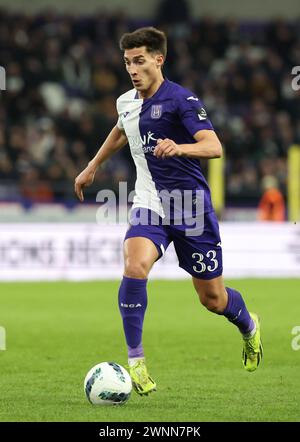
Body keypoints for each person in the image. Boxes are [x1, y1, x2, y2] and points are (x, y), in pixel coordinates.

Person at [74, 27, 263, 396]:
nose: (133, 68)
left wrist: (180, 147)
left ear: (159, 60)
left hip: (190, 208)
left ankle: (249, 326)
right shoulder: (126, 102)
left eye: (140, 60)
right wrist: (92, 165)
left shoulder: (182, 101)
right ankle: (137, 363)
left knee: (213, 299)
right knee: (134, 265)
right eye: (128, 61)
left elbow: (213, 146)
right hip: (148, 202)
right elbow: (120, 131)